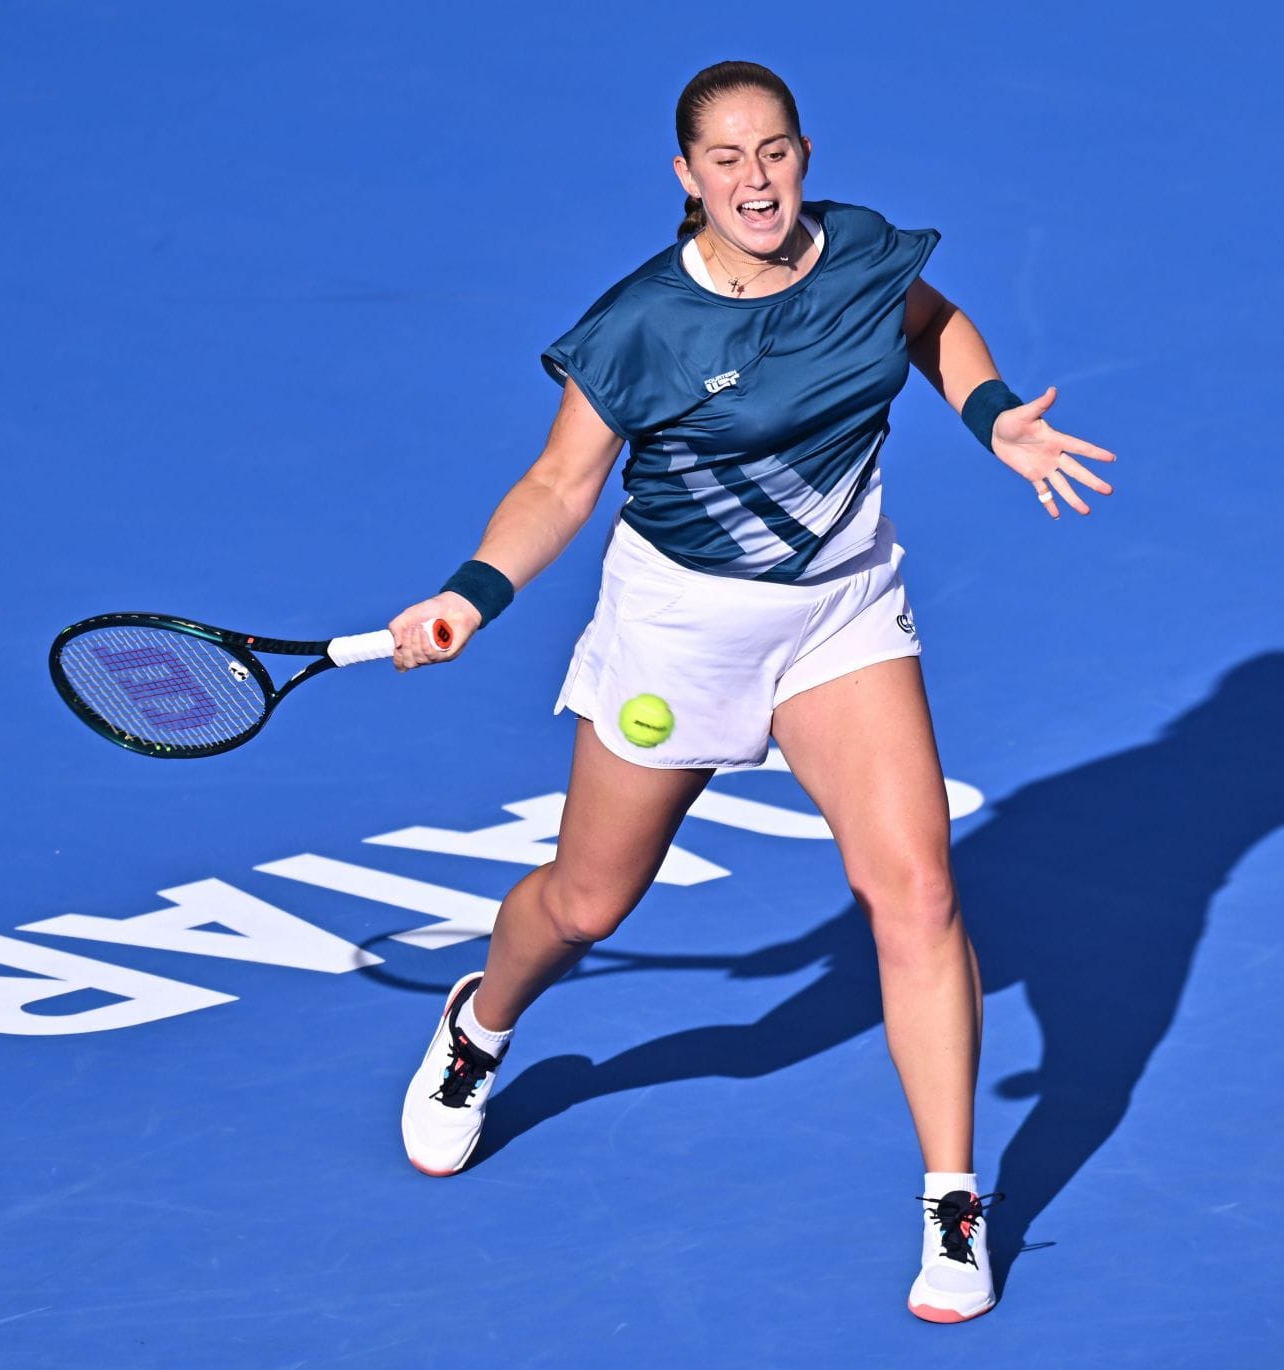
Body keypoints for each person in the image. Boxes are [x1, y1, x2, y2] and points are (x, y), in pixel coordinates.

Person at [384, 59, 1114, 1324]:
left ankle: (954, 1199)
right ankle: (481, 1023)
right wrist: (470, 592)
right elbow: (560, 486)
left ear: (804, 152)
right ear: (686, 177)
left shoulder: (863, 252)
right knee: (587, 900)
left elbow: (932, 324)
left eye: (773, 151)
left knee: (920, 887)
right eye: (725, 159)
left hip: (841, 614)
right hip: (683, 632)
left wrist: (992, 416)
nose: (755, 179)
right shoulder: (638, 327)